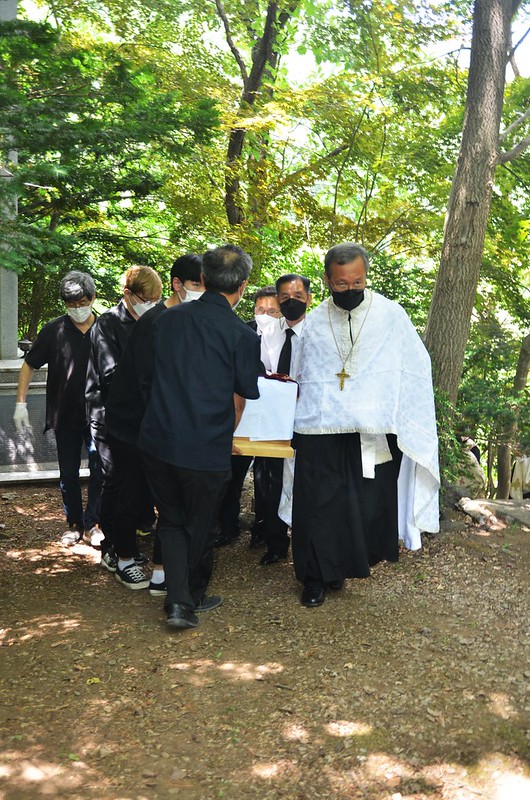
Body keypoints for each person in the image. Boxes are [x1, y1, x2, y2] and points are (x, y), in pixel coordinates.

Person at [288, 242, 439, 607]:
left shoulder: (391, 315)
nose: (350, 290)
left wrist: (398, 413)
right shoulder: (314, 324)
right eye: (341, 285)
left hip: (370, 431)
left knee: (359, 507)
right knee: (317, 505)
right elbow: (301, 375)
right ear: (327, 280)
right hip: (319, 431)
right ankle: (314, 577)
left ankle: (337, 568)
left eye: (357, 282)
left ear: (366, 276)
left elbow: (414, 368)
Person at [138, 244, 261, 630]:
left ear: (203, 279)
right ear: (242, 286)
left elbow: (147, 377)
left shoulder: (165, 321)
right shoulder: (242, 335)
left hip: (158, 438)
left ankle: (177, 601)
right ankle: (188, 599)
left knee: (172, 519)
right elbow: (244, 392)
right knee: (202, 523)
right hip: (205, 443)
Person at [104, 254, 204, 592]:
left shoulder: (190, 321)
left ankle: (162, 570)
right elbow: (146, 382)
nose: (202, 293)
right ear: (177, 285)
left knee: (170, 498)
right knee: (134, 492)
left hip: (166, 425)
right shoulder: (156, 321)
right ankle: (125, 559)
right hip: (133, 424)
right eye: (197, 286)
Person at [13, 271, 104, 546]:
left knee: (101, 469)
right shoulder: (55, 330)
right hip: (64, 413)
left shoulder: (106, 329)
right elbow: (29, 364)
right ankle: (74, 523)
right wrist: (20, 403)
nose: (77, 309)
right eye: (71, 305)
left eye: (82, 303)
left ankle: (94, 522)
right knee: (68, 471)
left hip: (100, 414)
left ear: (93, 298)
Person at [86, 265, 163, 573]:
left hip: (142, 417)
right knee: (114, 481)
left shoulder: (154, 321)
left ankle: (125, 542)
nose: (153, 304)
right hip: (109, 416)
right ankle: (111, 548)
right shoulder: (106, 325)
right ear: (129, 295)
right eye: (148, 298)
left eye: (158, 299)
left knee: (135, 483)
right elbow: (110, 374)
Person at [215, 285, 281, 549]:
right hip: (241, 414)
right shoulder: (241, 332)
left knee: (268, 478)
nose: (265, 315)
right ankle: (227, 525)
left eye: (272, 310)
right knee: (231, 474)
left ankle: (263, 529)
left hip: (274, 419)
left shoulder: (289, 336)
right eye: (261, 309)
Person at [254, 274, 312, 566]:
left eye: (298, 297)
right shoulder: (268, 332)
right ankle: (275, 542)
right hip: (272, 421)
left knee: (303, 484)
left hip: (306, 422)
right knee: (269, 483)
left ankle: (306, 545)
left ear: (309, 299)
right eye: (285, 298)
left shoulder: (316, 334)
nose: (291, 303)